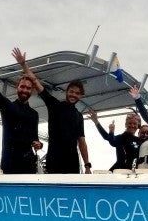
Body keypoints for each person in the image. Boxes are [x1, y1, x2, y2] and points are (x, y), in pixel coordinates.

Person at [13, 47, 92, 175]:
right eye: (71, 91)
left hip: (72, 164)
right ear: (67, 92)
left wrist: (87, 165)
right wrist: (23, 65)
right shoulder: (54, 105)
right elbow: (36, 83)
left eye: (77, 93)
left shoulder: (79, 116)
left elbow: (81, 141)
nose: (73, 95)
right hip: (54, 162)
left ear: (81, 96)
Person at [0, 48, 42, 174]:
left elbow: (35, 139)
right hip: (10, 166)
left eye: (28, 88)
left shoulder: (34, 114)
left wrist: (39, 145)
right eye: (22, 86)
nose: (25, 90)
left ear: (32, 91)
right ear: (17, 87)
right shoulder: (7, 106)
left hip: (28, 166)